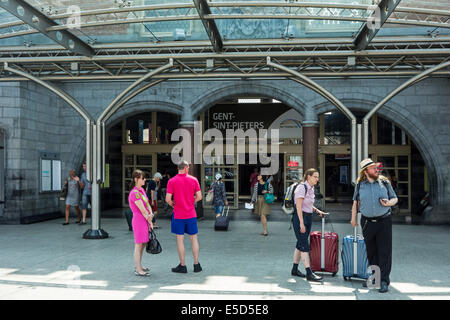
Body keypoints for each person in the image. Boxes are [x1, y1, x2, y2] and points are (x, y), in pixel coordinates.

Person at [351, 158, 398, 293]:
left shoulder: (384, 182)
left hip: (384, 221)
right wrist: (353, 219)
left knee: (384, 252)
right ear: (365, 171)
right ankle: (375, 278)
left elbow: (394, 198)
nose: (376, 170)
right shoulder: (360, 185)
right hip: (367, 222)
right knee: (372, 252)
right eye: (372, 168)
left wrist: (389, 203)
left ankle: (384, 281)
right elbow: (355, 203)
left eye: (376, 168)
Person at [165, 160, 203, 273]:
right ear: (186, 168)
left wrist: (174, 205)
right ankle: (196, 265)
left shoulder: (172, 181)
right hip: (191, 214)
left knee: (180, 240)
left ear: (178, 168)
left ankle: (183, 265)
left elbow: (167, 199)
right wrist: (191, 202)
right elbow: (199, 197)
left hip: (178, 215)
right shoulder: (194, 180)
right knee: (194, 239)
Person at [291, 168, 326, 282]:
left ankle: (294, 269)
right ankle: (309, 272)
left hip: (308, 217)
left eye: (318, 177)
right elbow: (299, 206)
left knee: (300, 243)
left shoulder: (311, 188)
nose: (317, 179)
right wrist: (301, 223)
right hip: (300, 218)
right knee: (304, 245)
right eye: (315, 176)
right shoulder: (302, 187)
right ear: (308, 177)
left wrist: (317, 210)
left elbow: (308, 204)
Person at [128, 169, 154, 277]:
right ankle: (138, 269)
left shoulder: (141, 191)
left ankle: (139, 266)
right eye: (142, 178)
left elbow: (147, 205)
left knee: (143, 243)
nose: (145, 180)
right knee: (139, 245)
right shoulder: (135, 193)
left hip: (144, 219)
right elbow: (142, 209)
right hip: (139, 220)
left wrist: (151, 214)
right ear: (136, 179)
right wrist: (150, 220)